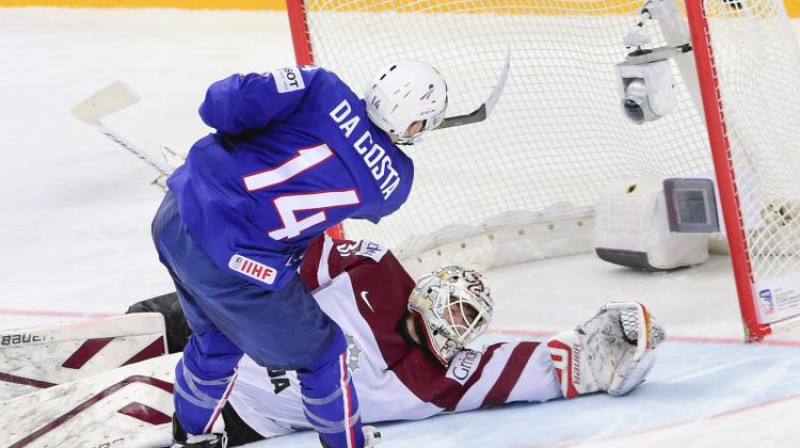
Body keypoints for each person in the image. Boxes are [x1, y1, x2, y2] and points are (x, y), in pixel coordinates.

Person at [151, 61, 448, 448]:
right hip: (237, 266)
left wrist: (224, 158)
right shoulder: (395, 182)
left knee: (218, 337)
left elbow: (218, 106)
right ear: (415, 126)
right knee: (324, 353)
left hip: (177, 217)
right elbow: (339, 183)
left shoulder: (318, 85)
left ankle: (192, 437)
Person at [131, 234, 665, 446]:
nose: (458, 329)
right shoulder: (373, 269)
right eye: (456, 310)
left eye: (468, 323)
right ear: (427, 297)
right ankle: (143, 333)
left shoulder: (437, 380)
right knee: (164, 313)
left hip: (248, 414)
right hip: (227, 336)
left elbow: (531, 369)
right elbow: (291, 255)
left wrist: (600, 351)